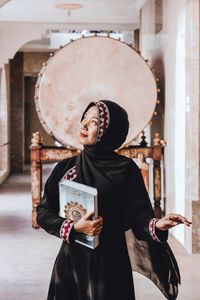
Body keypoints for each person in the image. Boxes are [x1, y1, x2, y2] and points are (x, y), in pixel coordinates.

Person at [37, 100, 191, 300]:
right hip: (71, 264)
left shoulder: (126, 170)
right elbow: (43, 213)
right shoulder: (66, 168)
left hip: (110, 264)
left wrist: (158, 224)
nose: (83, 125)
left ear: (108, 131)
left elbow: (139, 217)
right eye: (84, 118)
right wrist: (73, 228)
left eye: (93, 122)